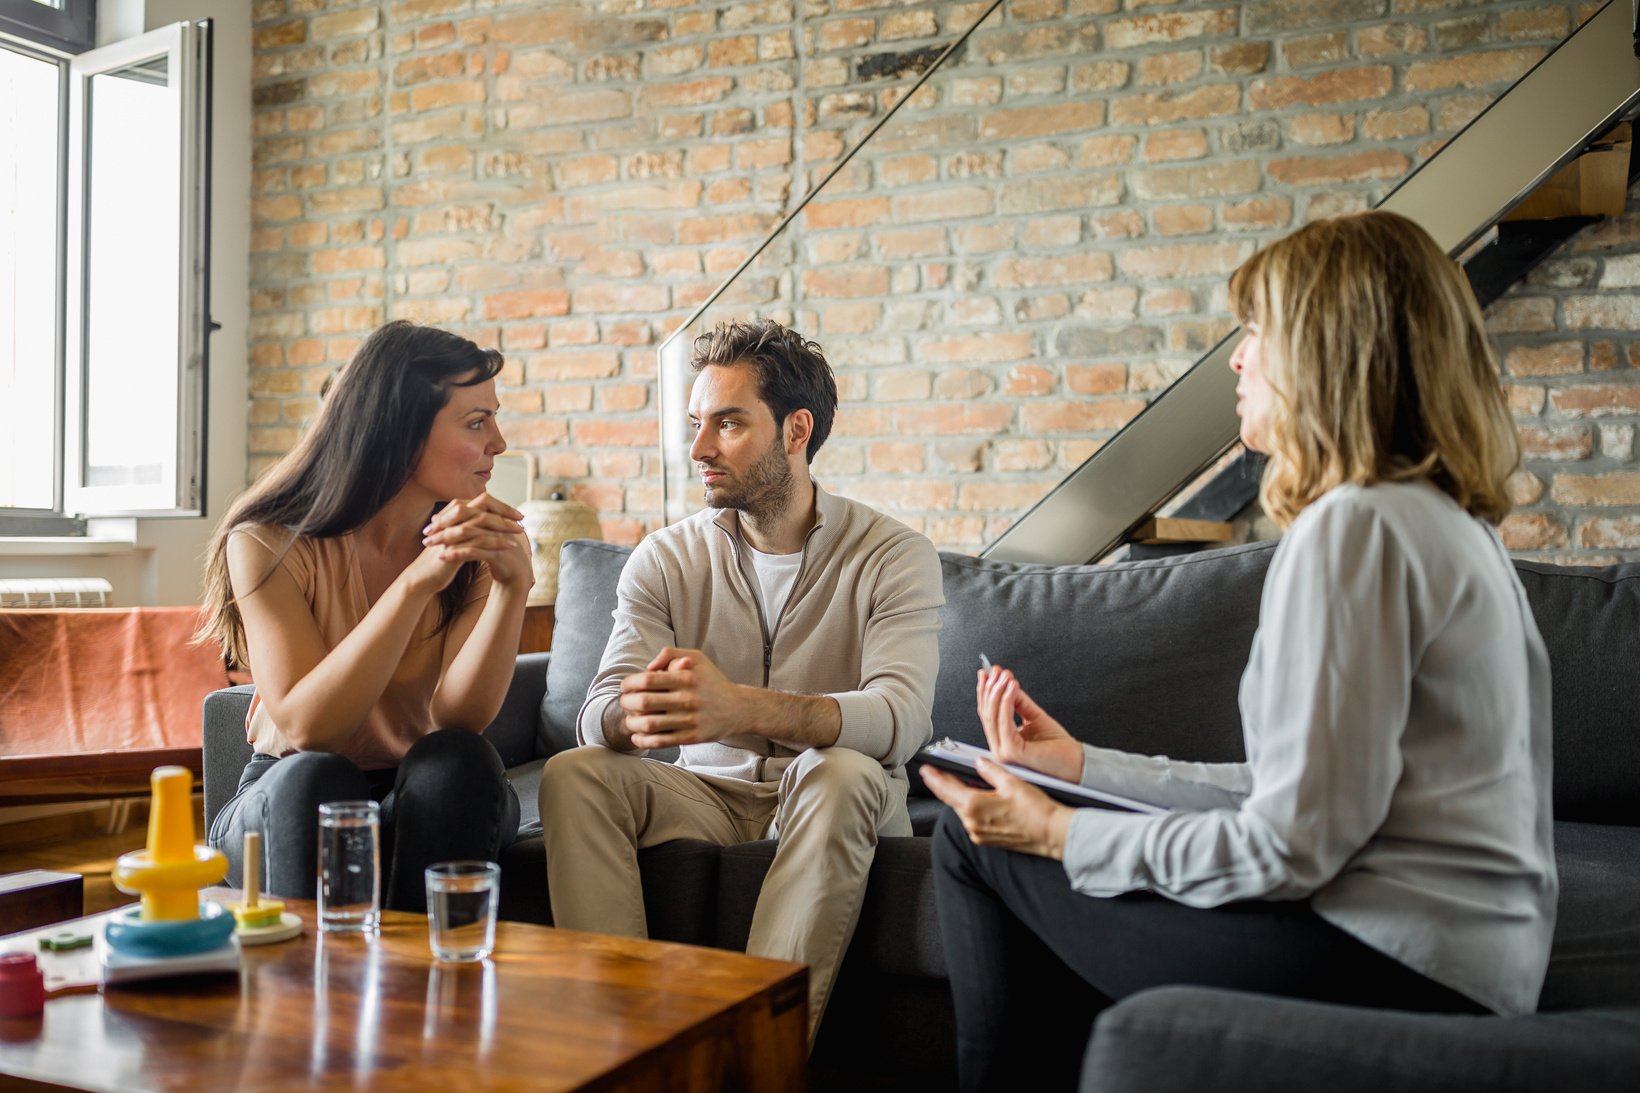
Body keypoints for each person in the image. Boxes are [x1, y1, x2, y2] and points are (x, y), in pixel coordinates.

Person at [921, 210, 1557, 1090]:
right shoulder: (1444, 524)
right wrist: (1079, 765)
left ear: (1326, 350)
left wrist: (1064, 831)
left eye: (1257, 331)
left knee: (976, 843)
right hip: (1459, 958)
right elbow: (1292, 794)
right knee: (1021, 835)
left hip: (1393, 962)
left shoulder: (1356, 530)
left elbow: (1291, 846)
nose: (1238, 356)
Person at [537, 318, 943, 1042]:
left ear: (796, 430)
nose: (698, 448)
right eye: (696, 424)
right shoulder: (665, 558)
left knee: (846, 771)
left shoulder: (893, 554)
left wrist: (739, 707)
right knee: (576, 774)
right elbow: (595, 712)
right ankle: (622, 1047)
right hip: (708, 796)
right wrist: (635, 713)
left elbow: (900, 717)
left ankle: (753, 1052)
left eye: (726, 423)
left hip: (831, 796)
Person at [198, 320, 531, 913]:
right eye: (477, 422)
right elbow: (309, 729)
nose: (499, 443)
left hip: (423, 786)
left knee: (459, 762)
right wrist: (415, 585)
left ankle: (425, 984)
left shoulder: (470, 541)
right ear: (400, 432)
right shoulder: (268, 541)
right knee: (314, 781)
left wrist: (512, 587)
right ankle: (319, 993)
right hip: (286, 786)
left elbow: (459, 718)